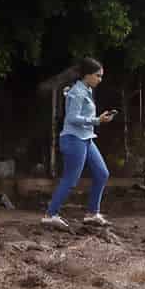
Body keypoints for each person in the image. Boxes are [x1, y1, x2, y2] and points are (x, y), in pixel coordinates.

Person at [42, 58, 115, 231]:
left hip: (86, 138)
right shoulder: (78, 92)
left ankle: (92, 214)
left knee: (102, 173)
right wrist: (97, 120)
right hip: (74, 139)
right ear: (87, 75)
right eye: (98, 76)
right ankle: (50, 215)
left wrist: (98, 120)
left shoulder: (87, 90)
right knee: (70, 179)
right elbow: (71, 118)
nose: (100, 79)